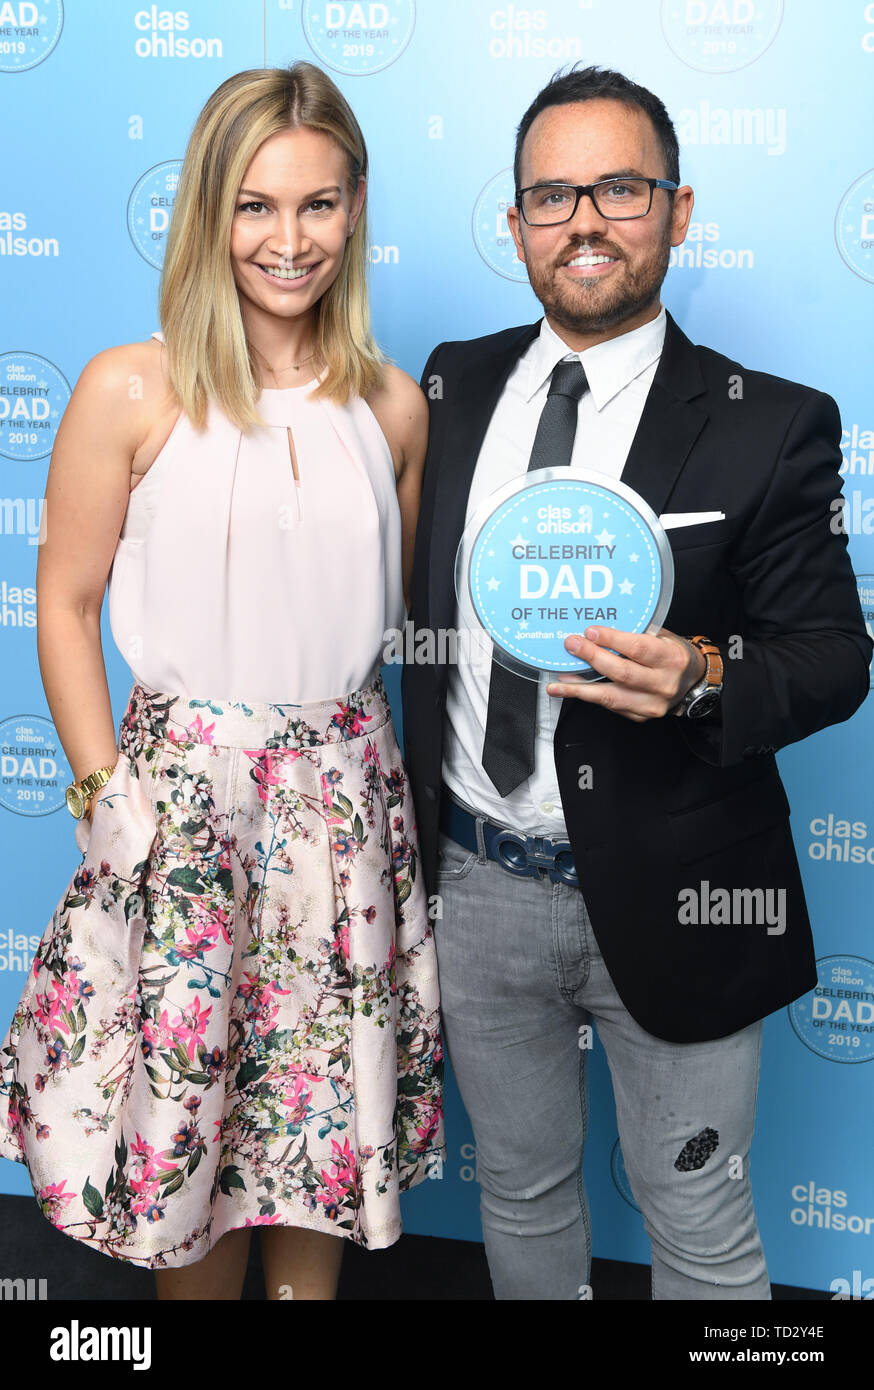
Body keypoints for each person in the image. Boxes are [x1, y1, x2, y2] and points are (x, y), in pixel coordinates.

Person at [402, 64, 871, 1300]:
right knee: (519, 1191)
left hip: (687, 885)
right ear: (514, 226)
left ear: (676, 208)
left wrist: (703, 673)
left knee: (699, 1220)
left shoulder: (768, 421)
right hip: (477, 882)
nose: (585, 220)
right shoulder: (447, 387)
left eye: (619, 186)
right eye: (552, 195)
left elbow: (832, 660)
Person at [0, 61, 444, 1301]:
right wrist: (111, 804)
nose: (287, 240)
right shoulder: (128, 389)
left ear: (355, 210)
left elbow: (390, 632)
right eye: (255, 206)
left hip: (346, 819)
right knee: (189, 1182)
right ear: (208, 211)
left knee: (313, 1156)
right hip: (183, 817)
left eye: (316, 204)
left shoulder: (393, 409)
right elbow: (70, 607)